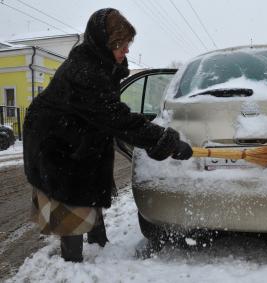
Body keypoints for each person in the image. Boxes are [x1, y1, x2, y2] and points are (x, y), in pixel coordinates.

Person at [23, 8, 192, 262]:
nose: (126, 51)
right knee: (70, 195)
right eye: (120, 45)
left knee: (90, 182)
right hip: (54, 140)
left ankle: (98, 244)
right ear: (102, 43)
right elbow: (118, 118)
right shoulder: (85, 72)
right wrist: (164, 140)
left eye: (127, 44)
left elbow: (110, 114)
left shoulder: (102, 63)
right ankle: (74, 263)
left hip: (77, 132)